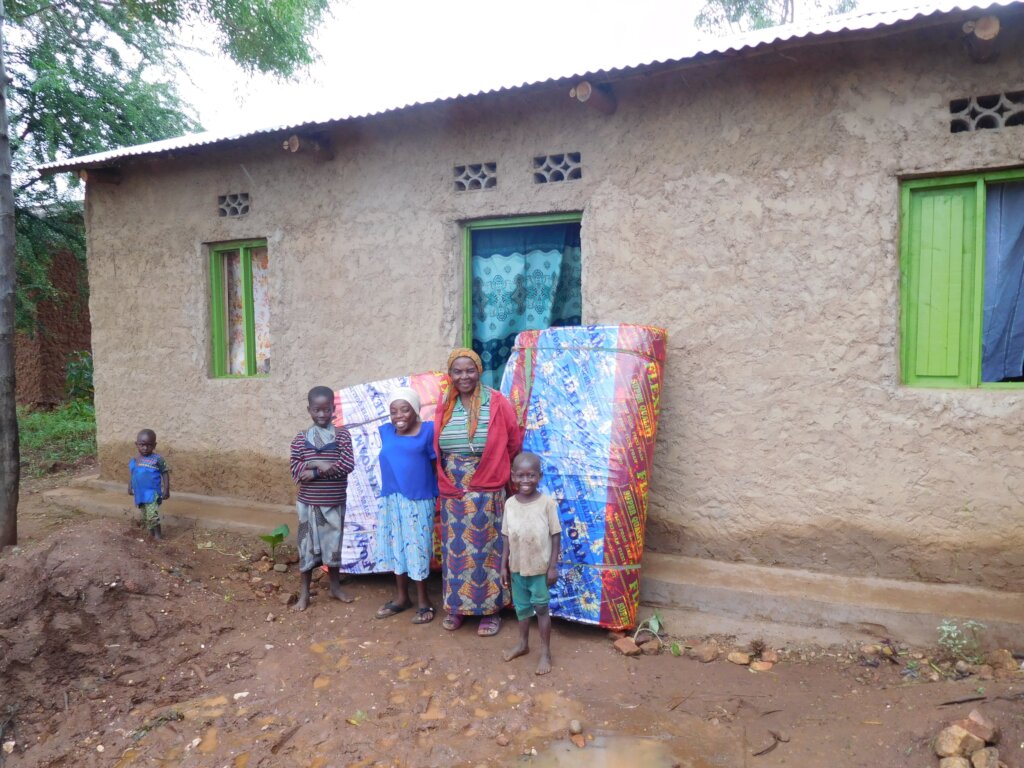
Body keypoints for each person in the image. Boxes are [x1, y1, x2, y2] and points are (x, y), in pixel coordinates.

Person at [435, 347, 521, 636]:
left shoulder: (496, 401)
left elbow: (513, 441)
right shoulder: (445, 402)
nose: (464, 376)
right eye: (458, 371)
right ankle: (457, 607)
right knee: (455, 552)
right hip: (453, 488)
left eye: (470, 370)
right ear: (450, 374)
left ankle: (490, 610)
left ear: (479, 371)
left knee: (487, 549)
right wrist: (451, 480)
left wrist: (495, 469)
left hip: (487, 484)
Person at [374, 386, 438, 625]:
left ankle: (423, 601)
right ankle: (402, 598)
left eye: (405, 410)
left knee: (417, 548)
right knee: (396, 546)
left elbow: (435, 465)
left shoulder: (428, 431)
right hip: (391, 498)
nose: (399, 416)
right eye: (394, 411)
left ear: (415, 411)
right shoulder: (386, 432)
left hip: (418, 499)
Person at [290, 385, 356, 611]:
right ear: (309, 410)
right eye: (317, 410)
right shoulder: (301, 439)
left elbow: (347, 465)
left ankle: (335, 587)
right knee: (306, 547)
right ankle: (304, 593)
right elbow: (296, 470)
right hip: (308, 504)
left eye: (326, 409)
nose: (322, 414)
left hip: (334, 502)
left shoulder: (342, 436)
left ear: (333, 409)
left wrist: (315, 470)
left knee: (333, 546)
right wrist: (321, 463)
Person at [500, 452, 561, 675]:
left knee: (542, 608)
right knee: (522, 609)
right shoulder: (510, 504)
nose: (526, 480)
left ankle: (545, 652)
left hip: (539, 569)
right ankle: (523, 644)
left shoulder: (547, 504)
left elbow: (556, 535)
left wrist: (552, 567)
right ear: (513, 476)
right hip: (517, 567)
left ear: (540, 476)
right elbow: (506, 537)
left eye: (531, 475)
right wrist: (503, 566)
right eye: (521, 475)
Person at [128, 428, 170, 539]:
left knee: (152, 515)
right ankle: (151, 535)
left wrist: (166, 489)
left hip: (152, 493)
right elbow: (133, 473)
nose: (145, 448)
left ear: (154, 445)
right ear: (136, 444)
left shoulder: (158, 460)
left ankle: (158, 537)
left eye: (149, 445)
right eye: (142, 445)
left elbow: (165, 473)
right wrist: (130, 486)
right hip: (140, 493)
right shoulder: (135, 460)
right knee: (146, 515)